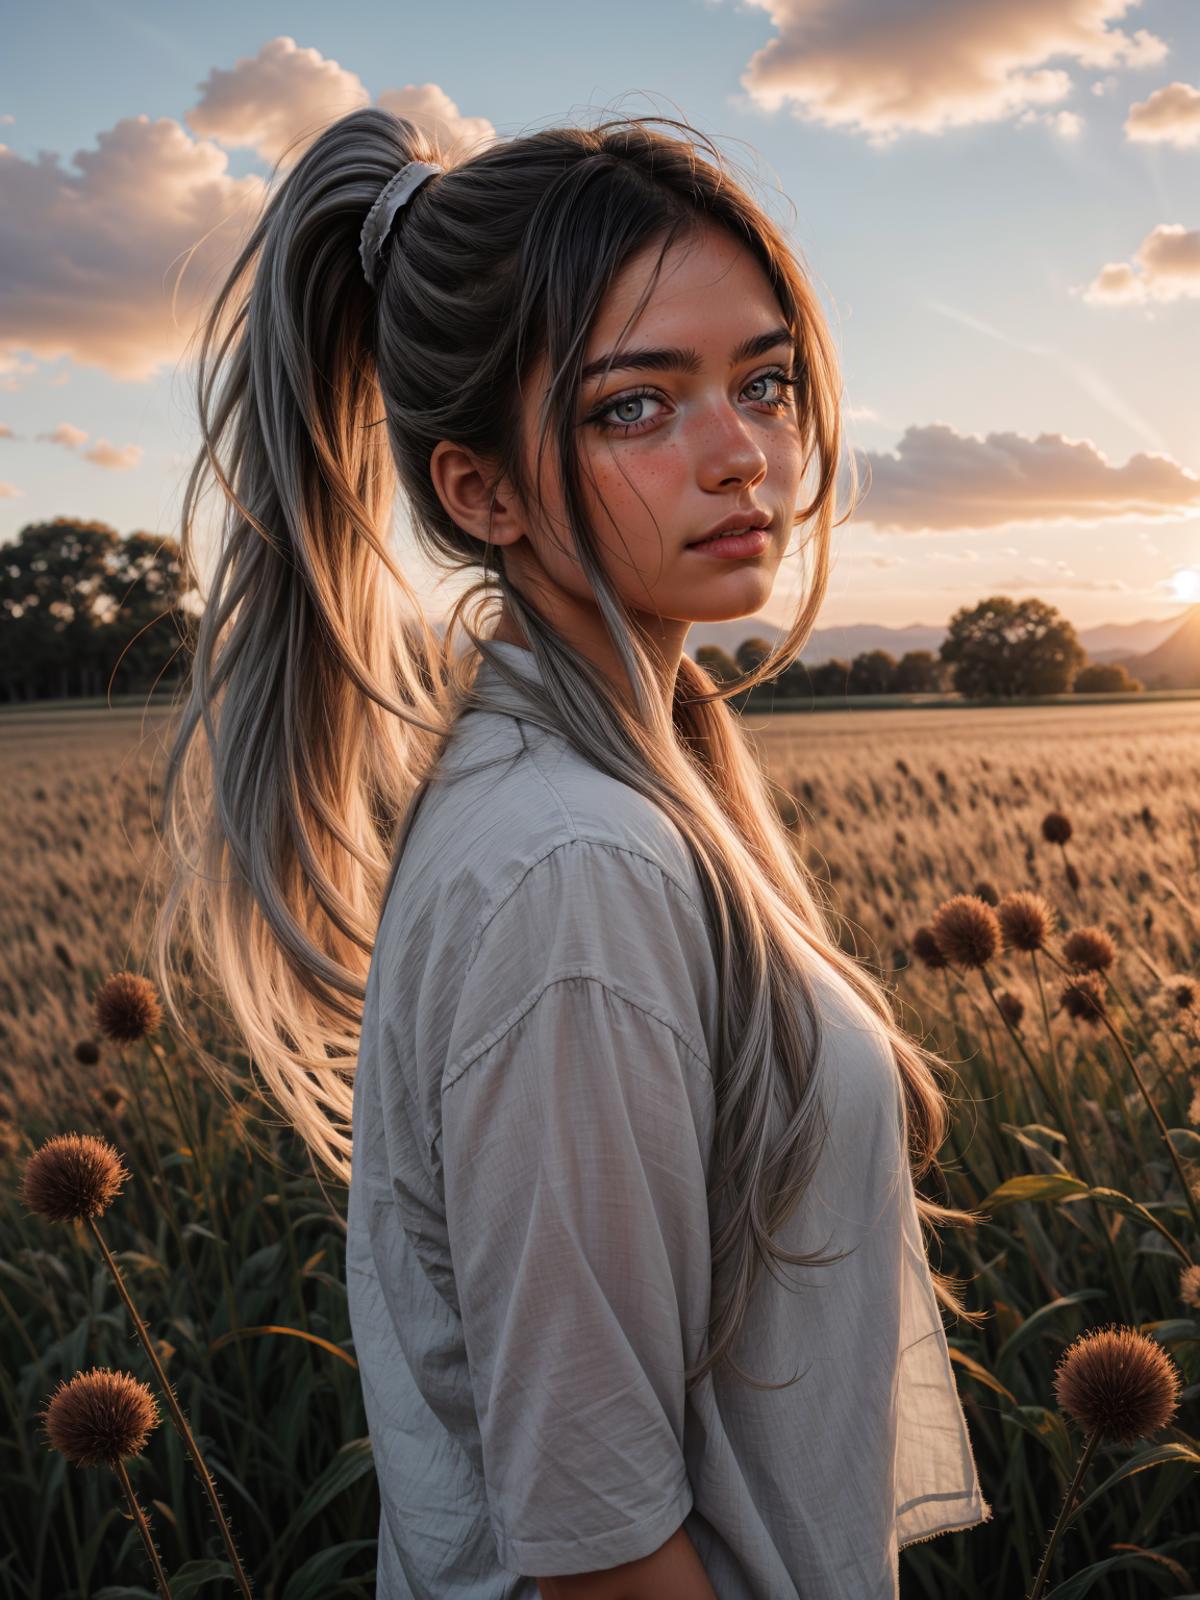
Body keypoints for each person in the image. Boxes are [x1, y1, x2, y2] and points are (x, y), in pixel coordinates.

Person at [153, 107, 992, 1598]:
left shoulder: (622, 792)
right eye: (635, 407)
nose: (743, 456)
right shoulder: (575, 875)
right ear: (477, 490)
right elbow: (600, 1549)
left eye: (767, 380)